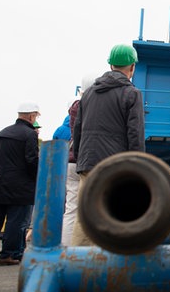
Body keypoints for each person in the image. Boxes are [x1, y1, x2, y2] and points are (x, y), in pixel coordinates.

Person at [71, 44, 145, 246]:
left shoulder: (88, 94)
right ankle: (106, 266)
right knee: (113, 214)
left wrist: (81, 159)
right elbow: (135, 134)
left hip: (88, 162)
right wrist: (138, 167)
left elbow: (77, 131)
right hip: (114, 167)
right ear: (132, 67)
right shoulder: (131, 93)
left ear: (111, 65)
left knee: (85, 216)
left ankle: (74, 264)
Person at [0, 102, 40, 266]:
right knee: (16, 221)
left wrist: (3, 171)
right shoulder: (30, 134)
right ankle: (8, 255)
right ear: (31, 116)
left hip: (0, 183)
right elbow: (32, 160)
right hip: (21, 186)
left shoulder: (3, 132)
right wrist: (35, 178)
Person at [61, 74, 97, 246]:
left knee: (72, 207)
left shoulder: (75, 106)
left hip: (72, 160)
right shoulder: (94, 104)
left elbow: (76, 133)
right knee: (93, 206)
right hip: (85, 160)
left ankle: (67, 247)